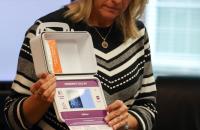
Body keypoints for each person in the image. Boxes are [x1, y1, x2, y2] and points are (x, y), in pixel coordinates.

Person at [4, 0, 157, 130]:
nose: (117, 1)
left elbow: (148, 106)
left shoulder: (137, 33)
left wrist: (125, 121)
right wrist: (40, 100)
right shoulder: (46, 30)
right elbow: (12, 118)